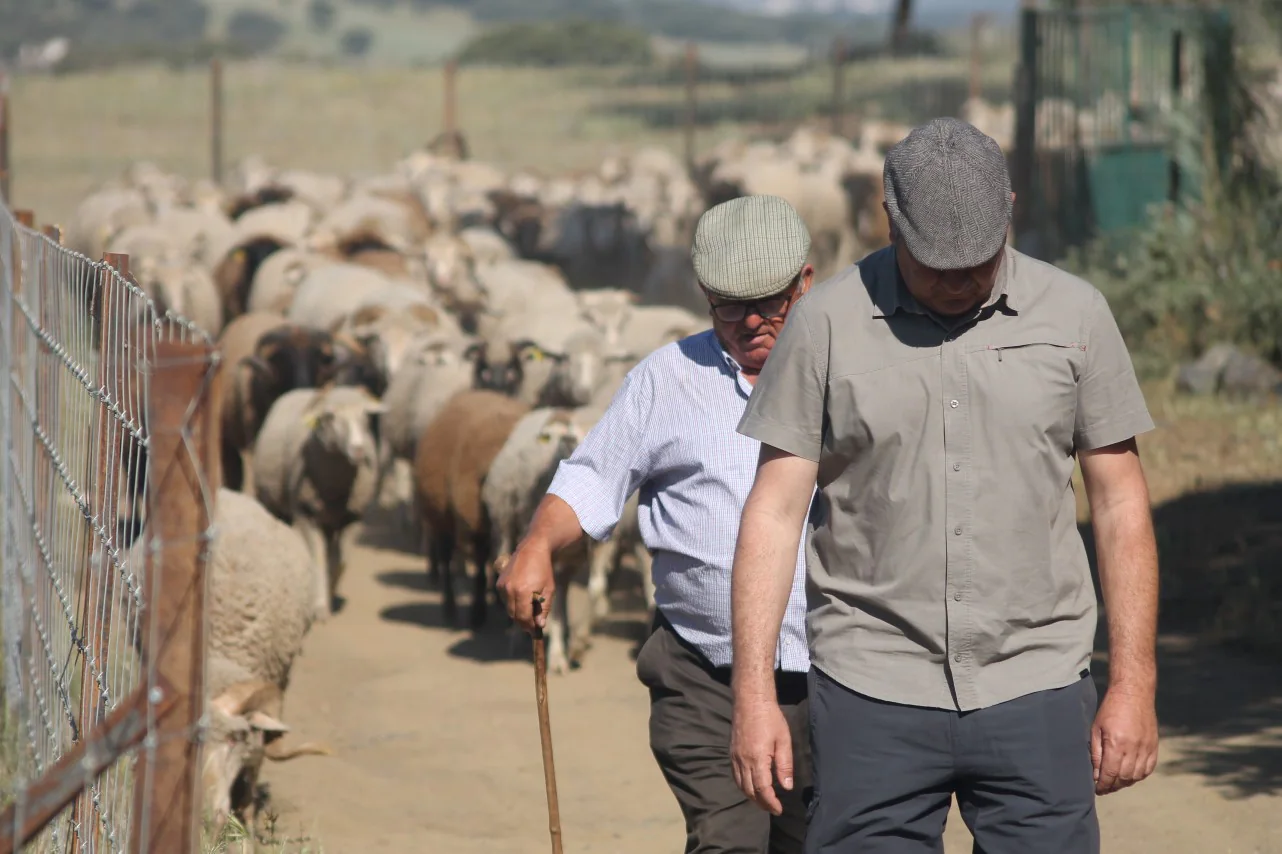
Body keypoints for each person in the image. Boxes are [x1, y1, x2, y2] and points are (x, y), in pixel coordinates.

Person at [727, 117, 1161, 853]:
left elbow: (1120, 505)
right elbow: (772, 515)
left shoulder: (1076, 316)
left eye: (978, 261)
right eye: (936, 264)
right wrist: (754, 697)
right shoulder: (825, 325)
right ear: (888, 220)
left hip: (1037, 683)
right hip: (872, 690)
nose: (959, 281)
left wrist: (1134, 683)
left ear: (1011, 210)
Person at [498, 194, 819, 853]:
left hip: (835, 679)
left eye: (772, 302)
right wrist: (537, 543)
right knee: (730, 841)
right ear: (704, 294)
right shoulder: (667, 379)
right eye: (731, 304)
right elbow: (594, 474)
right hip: (705, 674)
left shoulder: (847, 373)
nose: (753, 321)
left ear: (805, 283)